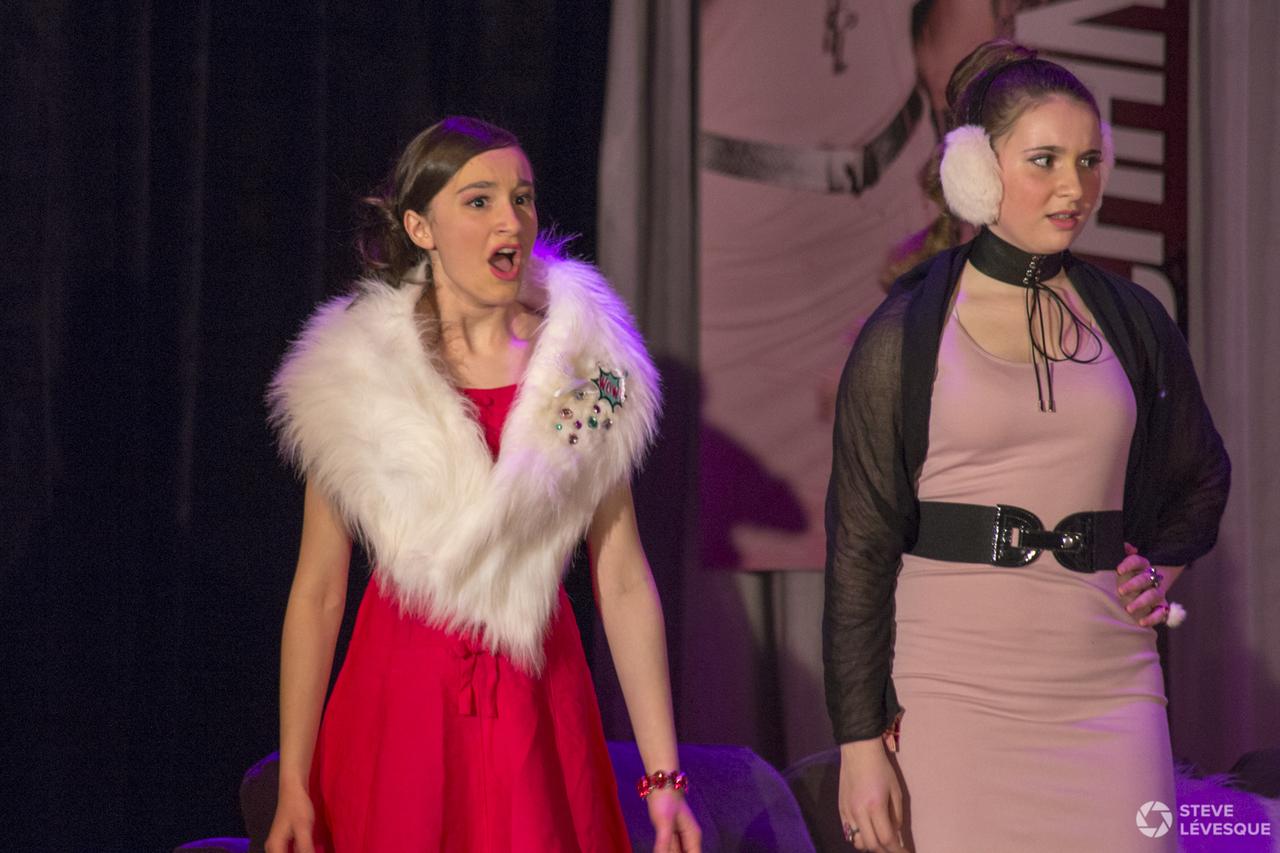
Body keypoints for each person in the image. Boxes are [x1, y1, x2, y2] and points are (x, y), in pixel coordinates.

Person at [822, 41, 1229, 852]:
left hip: (1112, 692)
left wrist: (1160, 568)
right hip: (952, 695)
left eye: (1088, 160)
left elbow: (1201, 473)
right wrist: (860, 742)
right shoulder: (905, 332)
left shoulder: (1132, 319)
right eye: (1045, 160)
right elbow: (860, 545)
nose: (1075, 186)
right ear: (975, 170)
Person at [263, 117, 700, 853]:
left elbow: (622, 576)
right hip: (401, 708)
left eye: (522, 198)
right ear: (420, 227)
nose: (511, 220)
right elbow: (319, 591)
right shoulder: (356, 375)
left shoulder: (587, 372)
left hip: (537, 700)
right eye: (479, 200)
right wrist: (293, 782)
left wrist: (664, 780)